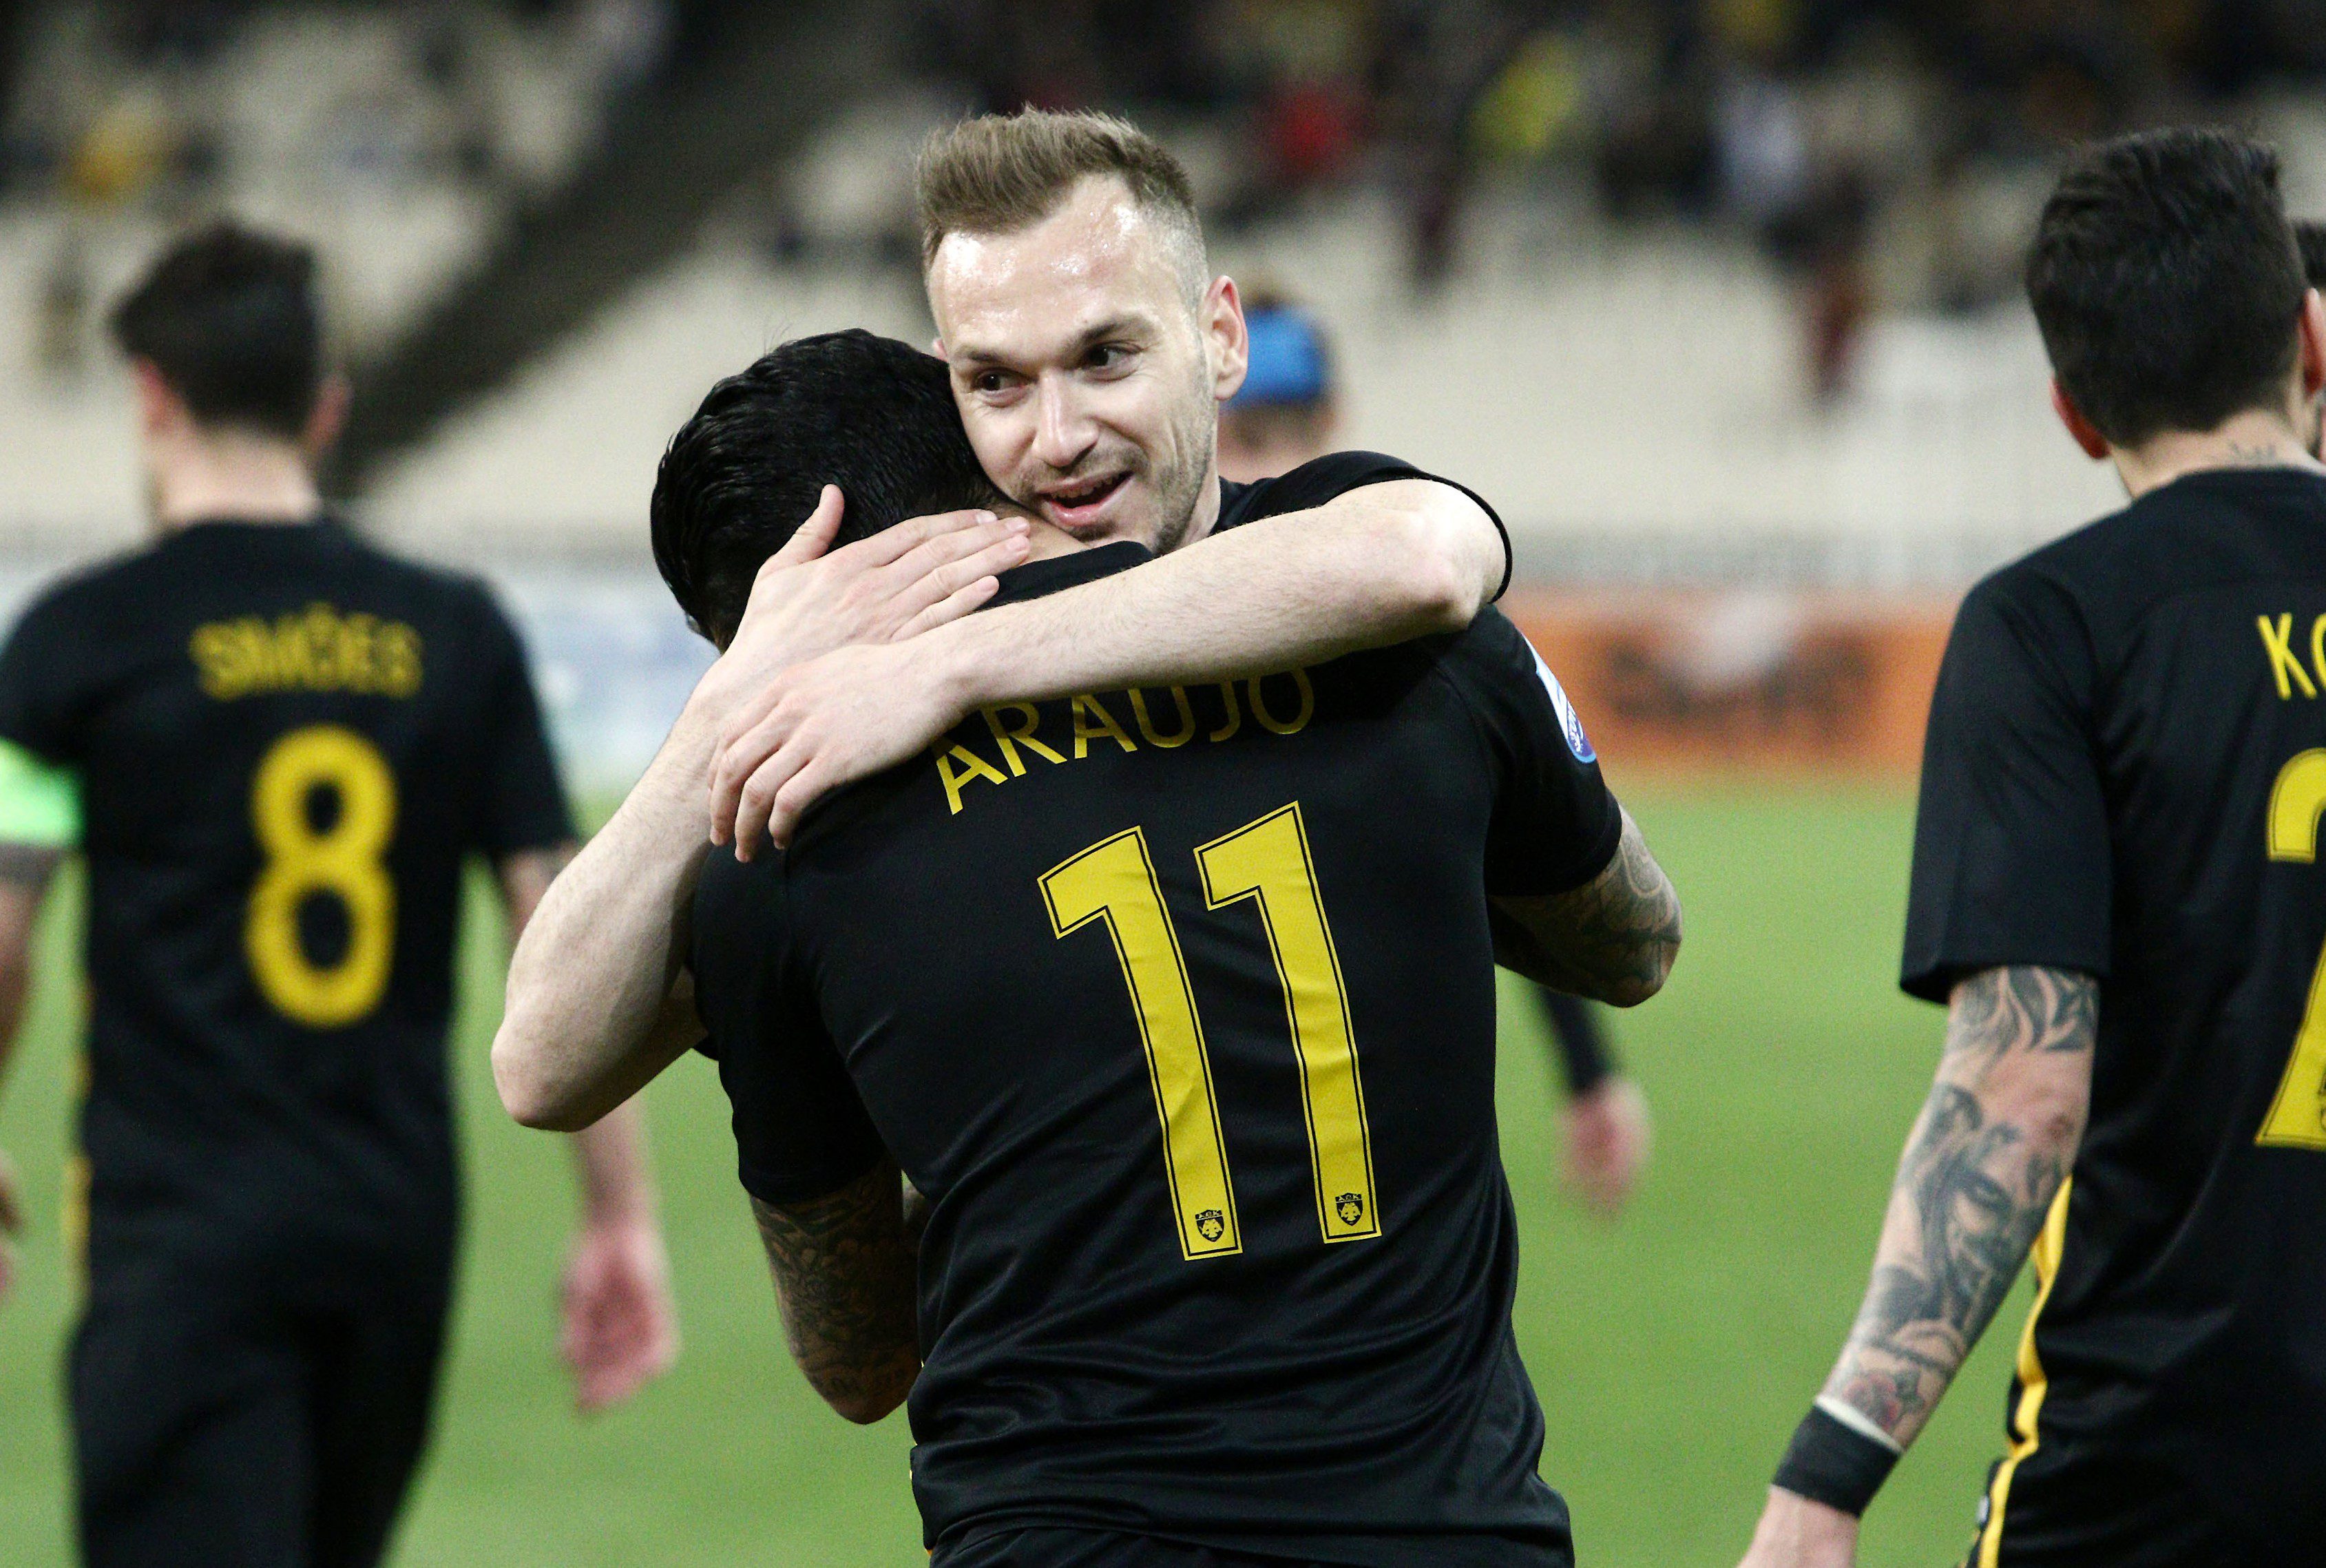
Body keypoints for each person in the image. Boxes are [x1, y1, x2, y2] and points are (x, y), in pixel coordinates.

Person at [624, 320, 1682, 1565]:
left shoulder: (777, 855)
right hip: (1444, 1531)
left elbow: (857, 1357)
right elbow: (1634, 943)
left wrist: (1034, 1157)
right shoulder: (1412, 653)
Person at [493, 109, 1520, 1149]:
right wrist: (741, 689)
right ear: (952, 389)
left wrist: (948, 667)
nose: (1058, 437)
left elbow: (1427, 560)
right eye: (996, 383)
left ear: (1220, 338)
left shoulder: (1339, 564)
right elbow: (538, 1064)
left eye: (1105, 357)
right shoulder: (861, 762)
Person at [0, 223, 677, 1568]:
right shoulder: (457, 632)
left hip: (178, 1235)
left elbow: (5, 927)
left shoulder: (81, 638)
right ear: (326, 405)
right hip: (390, 1234)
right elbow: (566, 928)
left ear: (150, 393)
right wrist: (619, 1216)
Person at [1738, 127, 2326, 1568]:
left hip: (2161, 1463)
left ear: (2070, 410)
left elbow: (2022, 1081)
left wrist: (1833, 1464)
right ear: (2309, 343)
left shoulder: (2053, 628)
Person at [1217, 289, 1655, 1217]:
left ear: (1332, 421)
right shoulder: (1124, 624)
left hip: (1388, 1168)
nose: (1267, 465)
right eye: (1244, 435)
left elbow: (1514, 854)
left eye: (1289, 432)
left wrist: (1587, 1073)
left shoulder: (1417, 628)